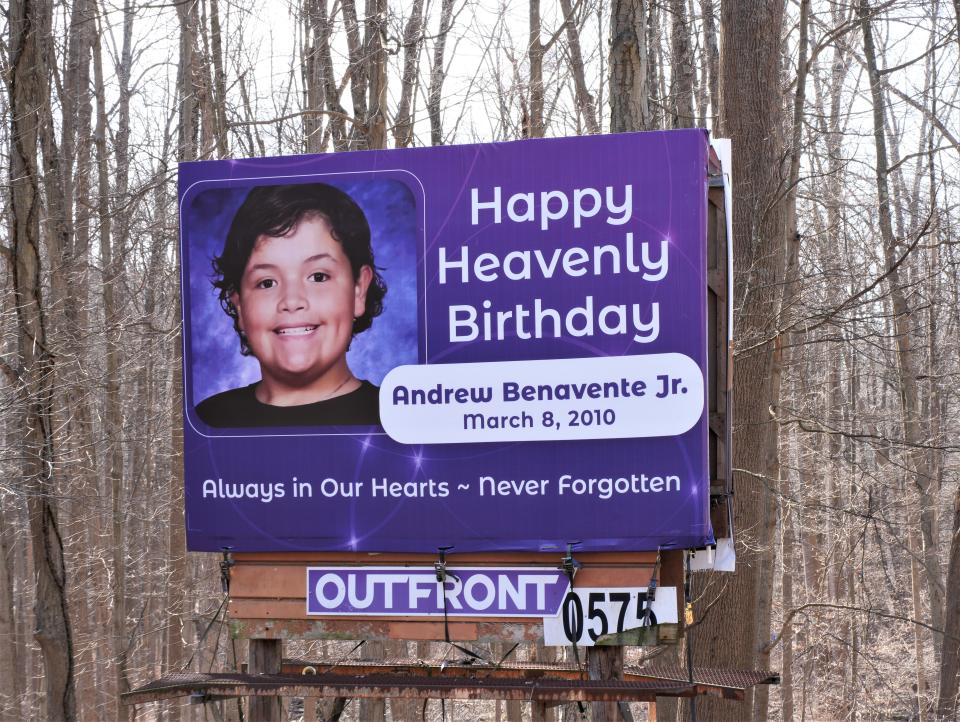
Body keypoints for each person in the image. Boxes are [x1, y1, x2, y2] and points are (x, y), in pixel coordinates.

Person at [195, 183, 386, 427]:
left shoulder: (397, 421)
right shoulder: (209, 420)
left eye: (318, 277)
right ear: (240, 304)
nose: (292, 301)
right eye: (267, 282)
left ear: (359, 290)